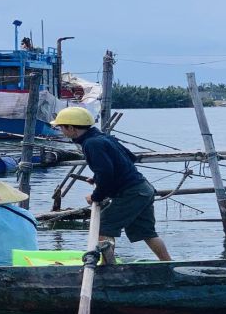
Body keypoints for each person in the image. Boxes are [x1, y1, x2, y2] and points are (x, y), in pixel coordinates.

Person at [51, 107, 172, 261]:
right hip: (143, 189)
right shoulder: (102, 137)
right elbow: (128, 158)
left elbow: (107, 174)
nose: (61, 131)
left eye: (62, 127)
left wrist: (96, 196)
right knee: (147, 233)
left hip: (132, 193)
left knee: (103, 227)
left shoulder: (91, 143)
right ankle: (168, 264)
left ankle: (108, 267)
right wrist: (96, 178)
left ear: (71, 128)